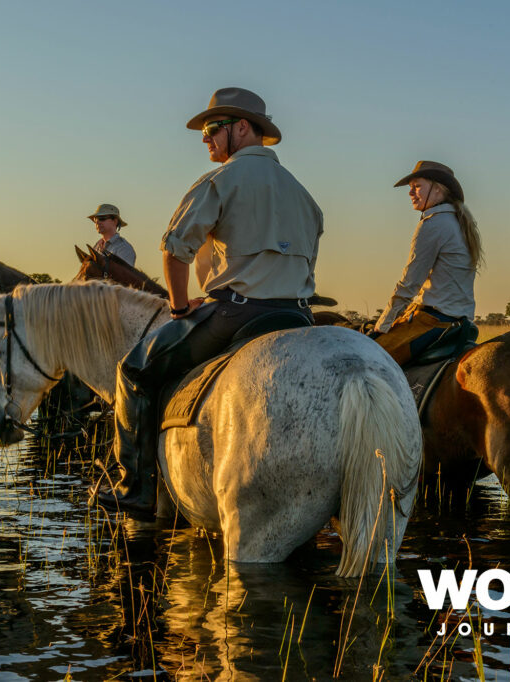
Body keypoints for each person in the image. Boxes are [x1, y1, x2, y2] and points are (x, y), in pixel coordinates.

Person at [92, 87, 324, 518]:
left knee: (134, 371)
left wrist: (179, 307)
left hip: (237, 313)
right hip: (297, 316)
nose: (205, 139)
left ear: (241, 128)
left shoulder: (219, 181)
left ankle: (136, 487)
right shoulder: (305, 195)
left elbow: (174, 250)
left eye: (212, 129)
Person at [371, 161, 483, 366]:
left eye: (417, 186)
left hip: (433, 321)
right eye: (410, 188)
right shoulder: (460, 222)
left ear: (438, 188)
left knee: (370, 361)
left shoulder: (433, 223)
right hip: (461, 321)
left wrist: (383, 324)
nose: (411, 193)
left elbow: (409, 283)